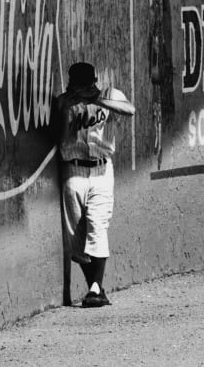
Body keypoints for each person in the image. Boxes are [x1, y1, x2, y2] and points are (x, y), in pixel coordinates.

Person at [53, 62, 135, 308]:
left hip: (101, 169)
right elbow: (58, 133)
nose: (80, 87)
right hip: (73, 170)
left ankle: (95, 289)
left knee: (97, 226)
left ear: (94, 81)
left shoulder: (109, 94)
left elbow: (129, 110)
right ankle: (96, 287)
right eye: (76, 83)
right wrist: (70, 103)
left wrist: (96, 100)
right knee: (76, 240)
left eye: (85, 83)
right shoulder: (64, 101)